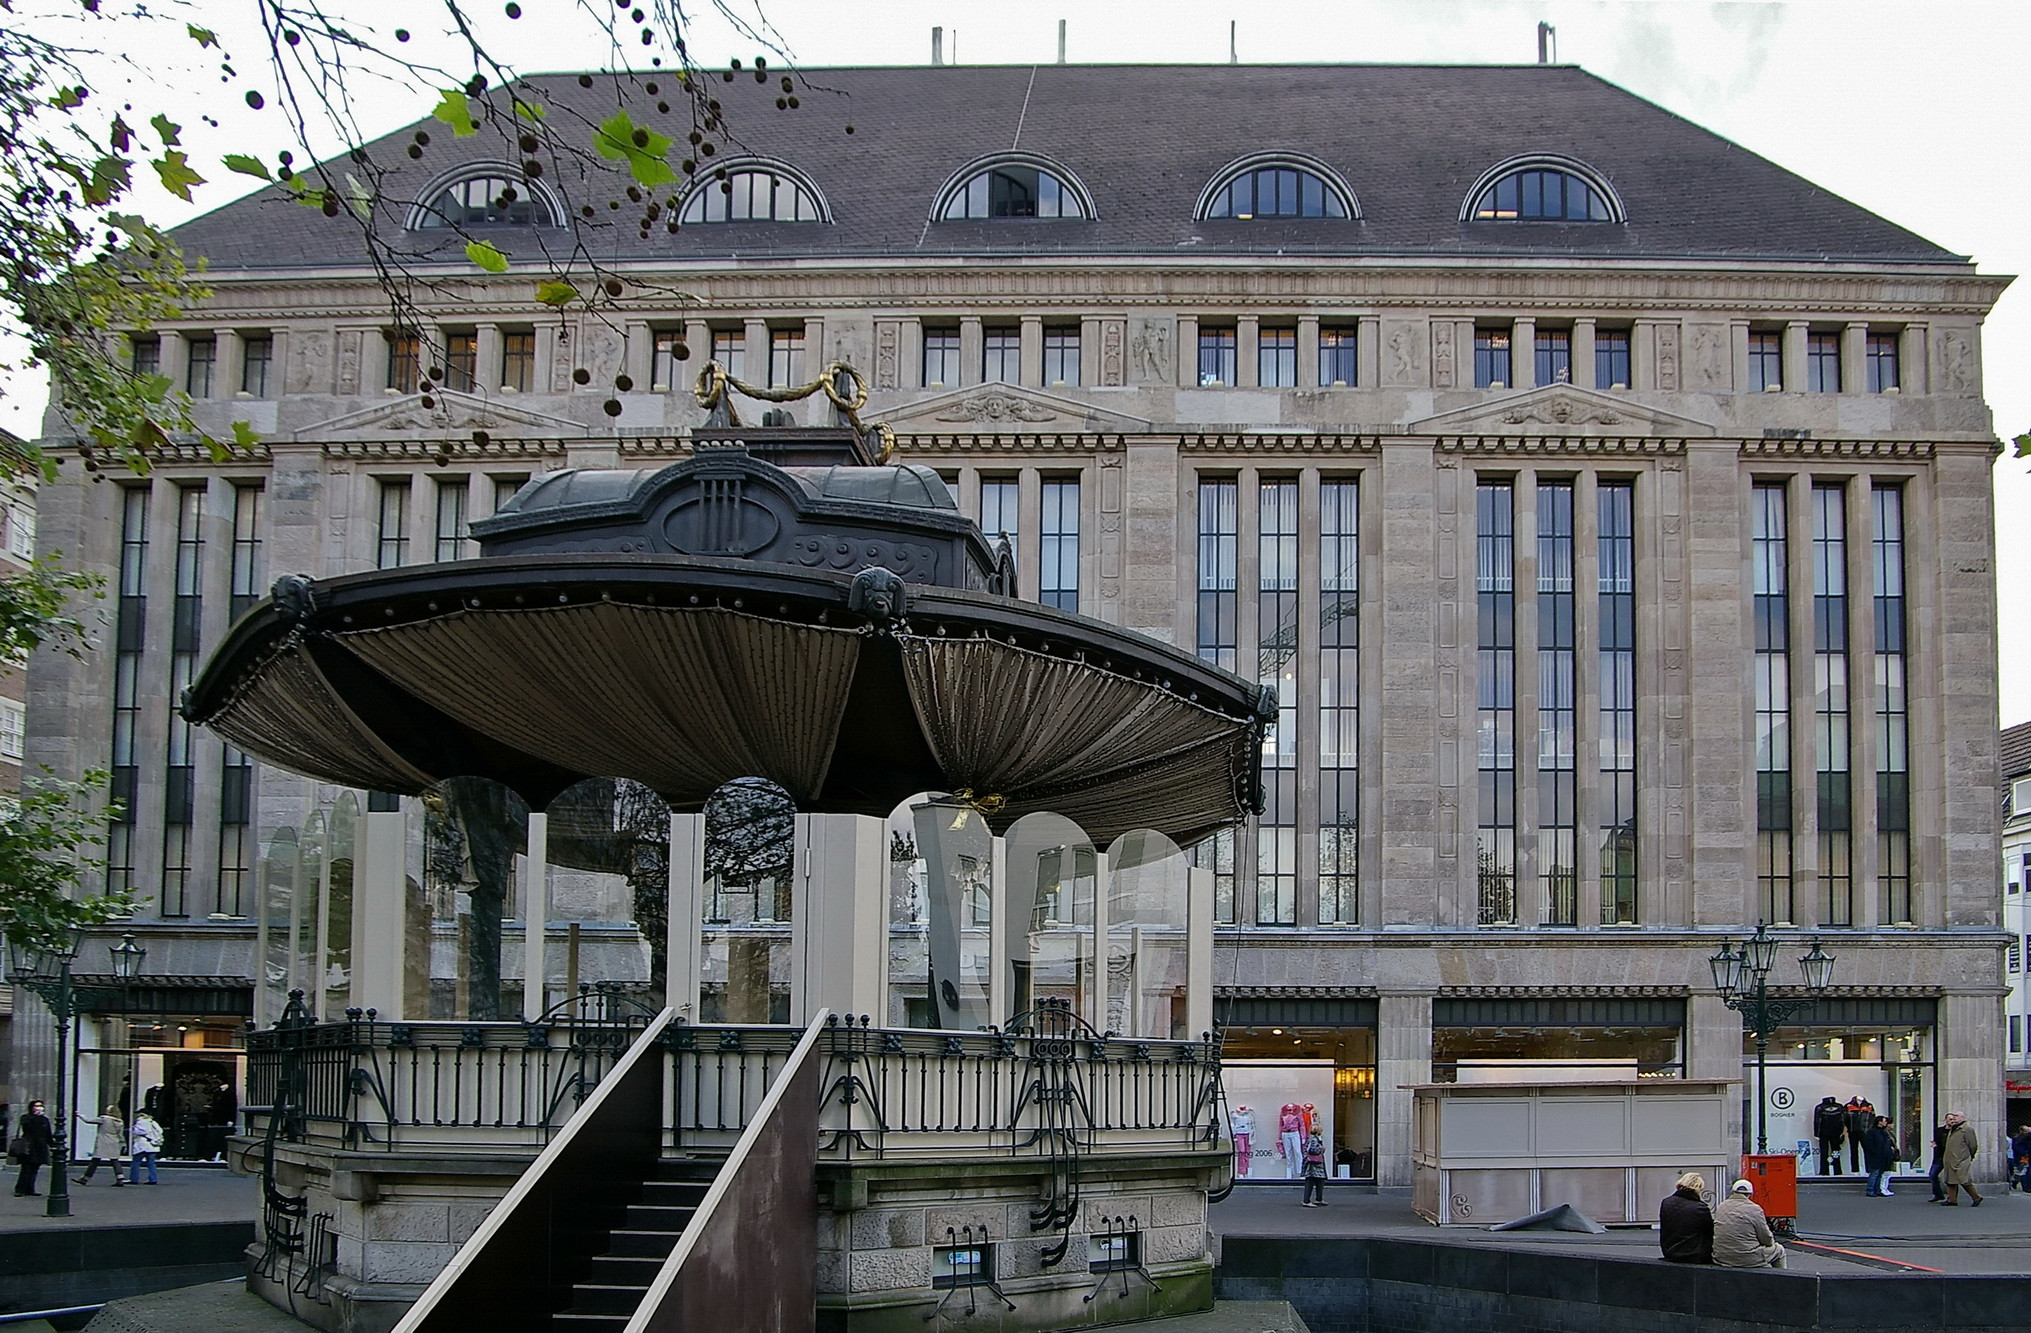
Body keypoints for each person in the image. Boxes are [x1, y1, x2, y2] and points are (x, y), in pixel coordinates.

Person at [1712, 1179, 1786, 1269]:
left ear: (1732, 1192)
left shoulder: (1721, 1206)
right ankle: (1782, 1279)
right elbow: (1766, 1238)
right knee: (1779, 1250)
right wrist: (1770, 1243)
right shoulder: (1755, 1209)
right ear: (1750, 1194)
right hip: (1746, 1258)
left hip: (1721, 1256)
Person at [1658, 1172, 1713, 1264]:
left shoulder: (1666, 1202)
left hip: (1670, 1252)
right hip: (1693, 1254)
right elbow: (1710, 1231)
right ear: (1697, 1187)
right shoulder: (1700, 1208)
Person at [1938, 1111, 1983, 1206]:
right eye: (1953, 1116)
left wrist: (1969, 1156)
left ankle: (1976, 1197)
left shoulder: (1967, 1129)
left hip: (1961, 1159)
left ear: (1962, 1118)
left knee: (1964, 1180)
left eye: (1956, 1116)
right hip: (1950, 1159)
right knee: (1950, 1180)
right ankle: (1952, 1200)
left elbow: (1973, 1145)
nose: (1954, 1118)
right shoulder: (1952, 1129)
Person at [75, 1106, 126, 1186]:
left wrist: (80, 1115)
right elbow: (120, 1134)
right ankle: (120, 1177)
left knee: (95, 1160)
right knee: (114, 1160)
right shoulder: (120, 1122)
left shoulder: (104, 1119)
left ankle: (85, 1178)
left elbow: (88, 1120)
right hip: (114, 1141)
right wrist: (123, 1143)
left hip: (103, 1140)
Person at [11, 1100, 52, 1197]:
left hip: (40, 1147)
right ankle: (20, 1189)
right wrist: (35, 1117)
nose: (39, 1107)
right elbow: (26, 1127)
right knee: (26, 1168)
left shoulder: (44, 1119)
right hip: (29, 1146)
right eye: (36, 1106)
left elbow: (48, 1134)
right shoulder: (26, 1117)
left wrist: (52, 1144)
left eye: (41, 1105)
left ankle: (30, 1189)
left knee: (34, 1169)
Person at [1861, 1115, 1898, 1197]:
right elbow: (1869, 1144)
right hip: (1875, 1156)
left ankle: (1877, 1190)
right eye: (1884, 1121)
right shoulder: (1872, 1132)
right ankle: (1870, 1190)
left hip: (1883, 1156)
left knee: (1880, 1173)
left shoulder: (1883, 1132)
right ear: (1879, 1122)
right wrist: (1873, 1152)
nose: (1885, 1123)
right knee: (1874, 1173)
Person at [127, 1111, 164, 1185]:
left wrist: (134, 1128)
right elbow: (160, 1131)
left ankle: (134, 1179)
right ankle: (153, 1179)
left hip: (142, 1145)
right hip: (153, 1145)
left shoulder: (141, 1121)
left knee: (136, 1162)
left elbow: (138, 1132)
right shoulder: (153, 1122)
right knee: (151, 1164)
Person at [1812, 1096, 1847, 1176]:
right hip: (1828, 1133)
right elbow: (1817, 1121)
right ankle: (1830, 1170)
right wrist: (1816, 1133)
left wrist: (1816, 1133)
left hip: (1831, 1133)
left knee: (1833, 1152)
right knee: (1829, 1152)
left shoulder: (1837, 1107)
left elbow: (1843, 1120)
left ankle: (1831, 1170)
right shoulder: (1821, 1107)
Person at [1299, 1130, 1327, 1207]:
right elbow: (1312, 1150)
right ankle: (1306, 1200)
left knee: (1319, 1181)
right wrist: (1321, 1149)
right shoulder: (1314, 1139)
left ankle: (1319, 1199)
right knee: (1311, 1181)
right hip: (1313, 1164)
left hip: (1315, 1164)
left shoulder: (1314, 1138)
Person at [1278, 1103, 1303, 1180]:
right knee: (1288, 1153)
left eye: (1291, 1107)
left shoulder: (1297, 1113)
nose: (1290, 1109)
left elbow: (1302, 1125)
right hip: (1285, 1133)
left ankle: (1300, 1172)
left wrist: (1303, 1136)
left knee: (1297, 1152)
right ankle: (1290, 1173)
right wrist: (1279, 1136)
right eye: (1288, 1108)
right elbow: (1280, 1125)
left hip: (1294, 1132)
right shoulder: (1283, 1114)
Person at [1927, 1119, 1949, 1201]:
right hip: (1939, 1156)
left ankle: (1952, 1197)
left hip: (1950, 1157)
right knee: (1932, 1175)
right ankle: (1938, 1194)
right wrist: (1934, 1144)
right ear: (1946, 1120)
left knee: (1952, 1178)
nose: (1952, 1121)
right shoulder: (1939, 1130)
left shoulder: (1955, 1132)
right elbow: (1936, 1141)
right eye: (1950, 1119)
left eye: (1953, 1119)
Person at [2011, 1125, 2031, 1194]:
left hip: (2025, 1155)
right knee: (2024, 1171)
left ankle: (2019, 1182)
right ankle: (2026, 1186)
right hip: (2024, 1156)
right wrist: (2024, 1153)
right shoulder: (2023, 1137)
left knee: (2023, 1171)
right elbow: (2017, 1146)